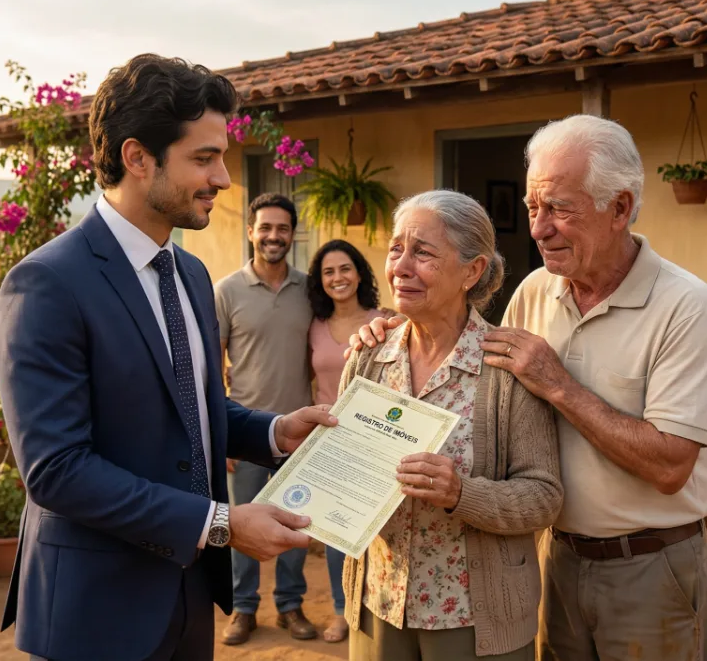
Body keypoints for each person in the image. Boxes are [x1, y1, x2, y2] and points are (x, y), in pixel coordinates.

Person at [0, 53, 337, 661]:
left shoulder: (192, 274)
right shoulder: (47, 282)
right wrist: (223, 524)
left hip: (185, 598)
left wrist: (278, 431)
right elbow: (56, 471)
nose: (225, 179)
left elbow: (194, 408)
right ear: (137, 157)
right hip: (95, 613)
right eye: (204, 158)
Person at [350, 115, 707, 661]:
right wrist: (396, 323)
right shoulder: (535, 291)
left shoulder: (684, 306)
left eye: (559, 208)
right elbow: (461, 342)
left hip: (651, 566)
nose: (538, 228)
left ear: (619, 208)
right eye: (532, 208)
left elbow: (671, 467)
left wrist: (560, 386)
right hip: (557, 561)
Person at [339, 190, 563, 661]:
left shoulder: (508, 369)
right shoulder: (368, 357)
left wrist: (461, 494)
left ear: (472, 270)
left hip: (474, 620)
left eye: (423, 252)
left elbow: (543, 496)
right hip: (378, 601)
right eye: (396, 248)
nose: (401, 266)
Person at [214, 192, 317, 645]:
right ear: (251, 231)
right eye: (266, 227)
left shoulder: (309, 290)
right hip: (246, 435)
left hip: (301, 437)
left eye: (283, 228)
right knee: (242, 526)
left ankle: (291, 606)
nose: (274, 236)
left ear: (292, 234)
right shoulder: (227, 290)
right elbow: (210, 363)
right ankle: (243, 608)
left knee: (296, 524)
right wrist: (221, 436)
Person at [304, 239, 391, 643]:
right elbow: (310, 380)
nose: (337, 278)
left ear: (359, 273)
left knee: (378, 532)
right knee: (336, 531)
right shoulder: (314, 326)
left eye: (344, 269)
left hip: (376, 440)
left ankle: (381, 606)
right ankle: (342, 611)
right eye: (328, 272)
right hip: (329, 440)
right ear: (320, 282)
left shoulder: (386, 321)